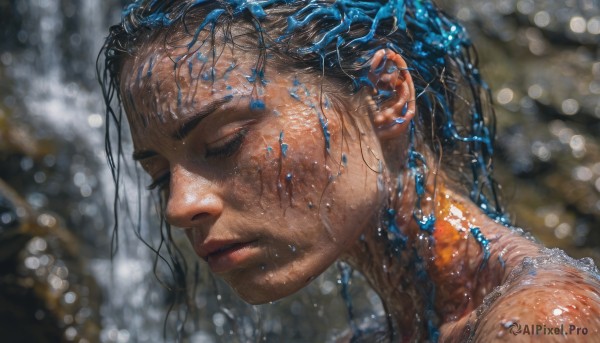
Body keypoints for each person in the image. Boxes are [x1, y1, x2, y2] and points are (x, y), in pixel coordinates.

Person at [99, 0, 600, 341]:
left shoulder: (543, 322)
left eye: (224, 144)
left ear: (385, 94)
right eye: (160, 176)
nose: (180, 206)